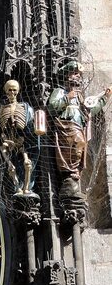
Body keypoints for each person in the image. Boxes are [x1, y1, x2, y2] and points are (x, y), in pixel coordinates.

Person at [47, 61, 111, 197]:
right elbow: (52, 107)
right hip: (65, 128)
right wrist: (66, 98)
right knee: (72, 149)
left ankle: (74, 173)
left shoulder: (80, 96)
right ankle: (68, 177)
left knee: (79, 147)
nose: (77, 76)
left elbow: (90, 111)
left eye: (79, 74)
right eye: (74, 73)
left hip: (78, 128)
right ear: (67, 75)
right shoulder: (60, 91)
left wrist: (105, 97)